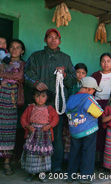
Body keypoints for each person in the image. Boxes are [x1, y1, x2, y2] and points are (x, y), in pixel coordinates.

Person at [24, 28, 77, 173]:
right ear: (45, 40)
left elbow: (72, 81)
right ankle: (36, 168)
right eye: (50, 37)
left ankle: (56, 167)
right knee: (36, 136)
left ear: (60, 41)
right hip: (39, 106)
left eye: (56, 38)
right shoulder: (36, 56)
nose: (53, 40)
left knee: (57, 136)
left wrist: (65, 75)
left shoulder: (66, 58)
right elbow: (26, 74)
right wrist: (35, 83)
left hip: (57, 106)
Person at [66, 76, 103, 183]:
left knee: (74, 152)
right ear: (89, 89)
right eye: (94, 90)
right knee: (88, 152)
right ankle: (85, 176)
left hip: (75, 130)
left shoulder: (71, 98)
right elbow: (98, 112)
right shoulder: (88, 98)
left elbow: (66, 112)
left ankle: (70, 175)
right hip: (88, 130)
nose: (94, 92)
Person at [21, 89, 59, 182]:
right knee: (32, 153)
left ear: (47, 97)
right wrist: (28, 126)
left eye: (43, 96)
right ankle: (31, 172)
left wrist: (49, 126)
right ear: (33, 97)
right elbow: (23, 118)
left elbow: (56, 118)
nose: (40, 99)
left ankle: (42, 174)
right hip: (33, 134)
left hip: (45, 134)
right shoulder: (30, 108)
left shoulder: (50, 108)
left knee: (43, 154)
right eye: (37, 96)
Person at [0, 39, 26, 175]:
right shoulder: (2, 61)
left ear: (22, 51)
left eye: (17, 48)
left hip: (11, 98)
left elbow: (20, 76)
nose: (14, 50)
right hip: (0, 95)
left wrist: (4, 75)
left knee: (8, 129)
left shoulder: (23, 64)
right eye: (11, 47)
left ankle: (6, 162)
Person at [91, 53, 111, 163]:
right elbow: (91, 91)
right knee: (97, 131)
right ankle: (98, 160)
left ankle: (110, 160)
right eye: (103, 61)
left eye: (108, 61)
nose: (106, 63)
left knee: (110, 131)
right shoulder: (95, 75)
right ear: (100, 63)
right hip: (97, 105)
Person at [63, 63, 88, 159]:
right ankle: (69, 158)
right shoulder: (71, 84)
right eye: (78, 72)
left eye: (83, 73)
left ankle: (80, 159)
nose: (80, 75)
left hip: (82, 116)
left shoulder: (86, 87)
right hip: (71, 115)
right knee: (70, 135)